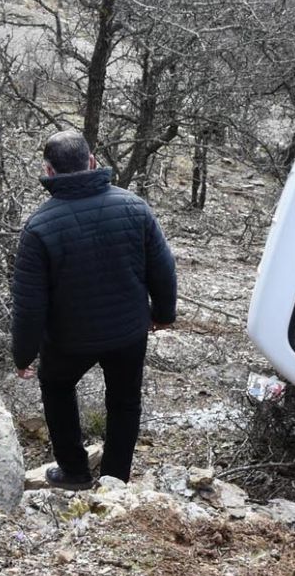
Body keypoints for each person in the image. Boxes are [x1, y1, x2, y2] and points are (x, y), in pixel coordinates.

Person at [12, 130, 176, 489]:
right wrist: (163, 314)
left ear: (49, 171)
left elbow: (29, 303)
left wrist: (23, 354)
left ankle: (74, 472)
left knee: (57, 389)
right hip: (129, 333)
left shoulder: (39, 227)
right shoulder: (135, 206)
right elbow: (163, 269)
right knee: (124, 401)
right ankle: (115, 479)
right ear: (92, 161)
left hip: (70, 341)